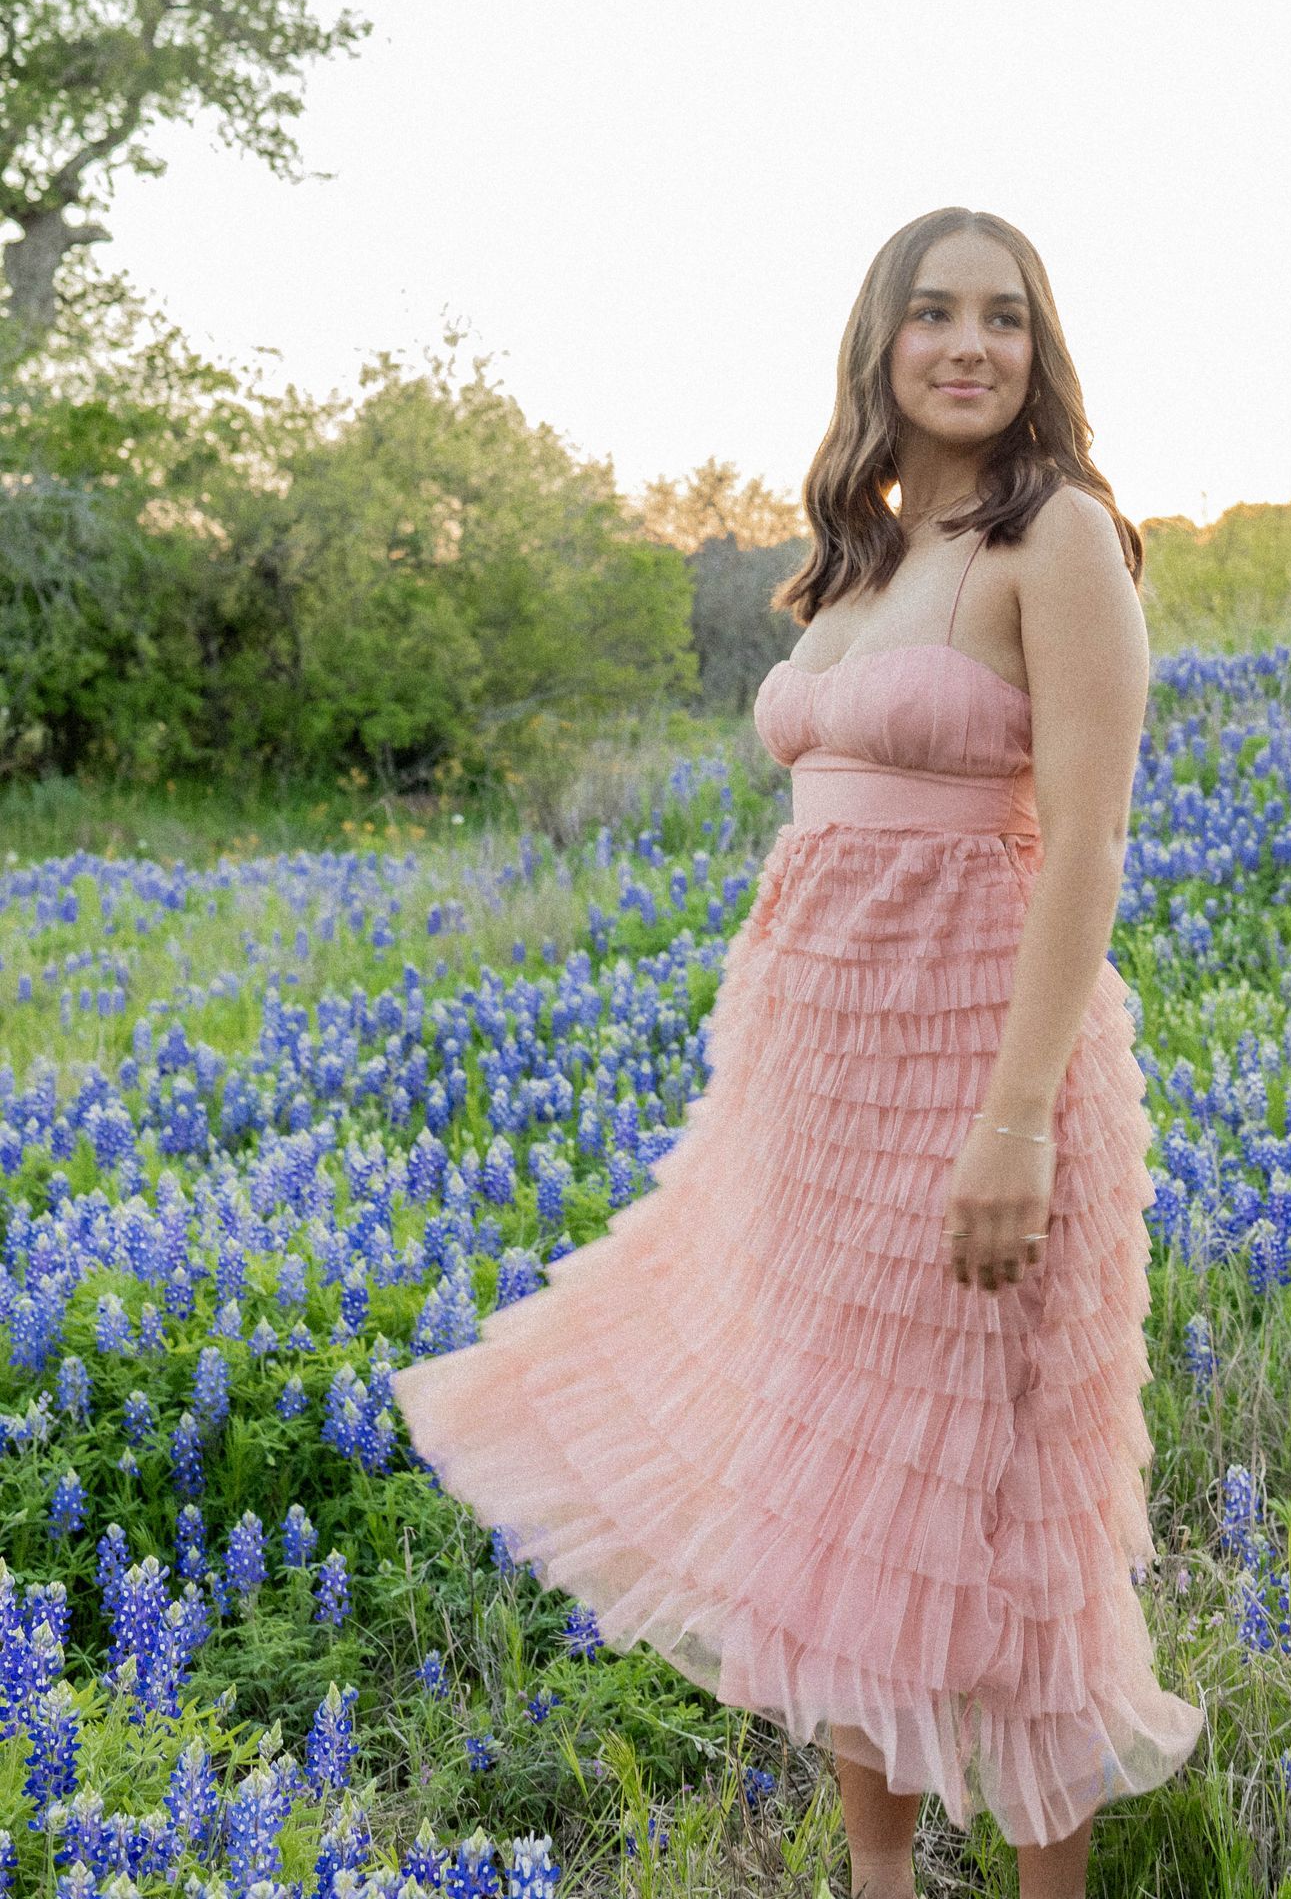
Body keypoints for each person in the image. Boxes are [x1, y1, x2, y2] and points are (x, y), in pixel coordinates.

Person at [389, 205, 1204, 1899]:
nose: (968, 345)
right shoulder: (867, 557)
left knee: (1004, 1503)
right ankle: (876, 1882)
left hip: (977, 1064)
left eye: (1004, 318)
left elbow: (1091, 846)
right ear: (880, 344)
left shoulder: (1059, 540)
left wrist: (1018, 1123)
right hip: (818, 1083)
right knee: (848, 1482)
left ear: (1041, 353)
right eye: (933, 314)